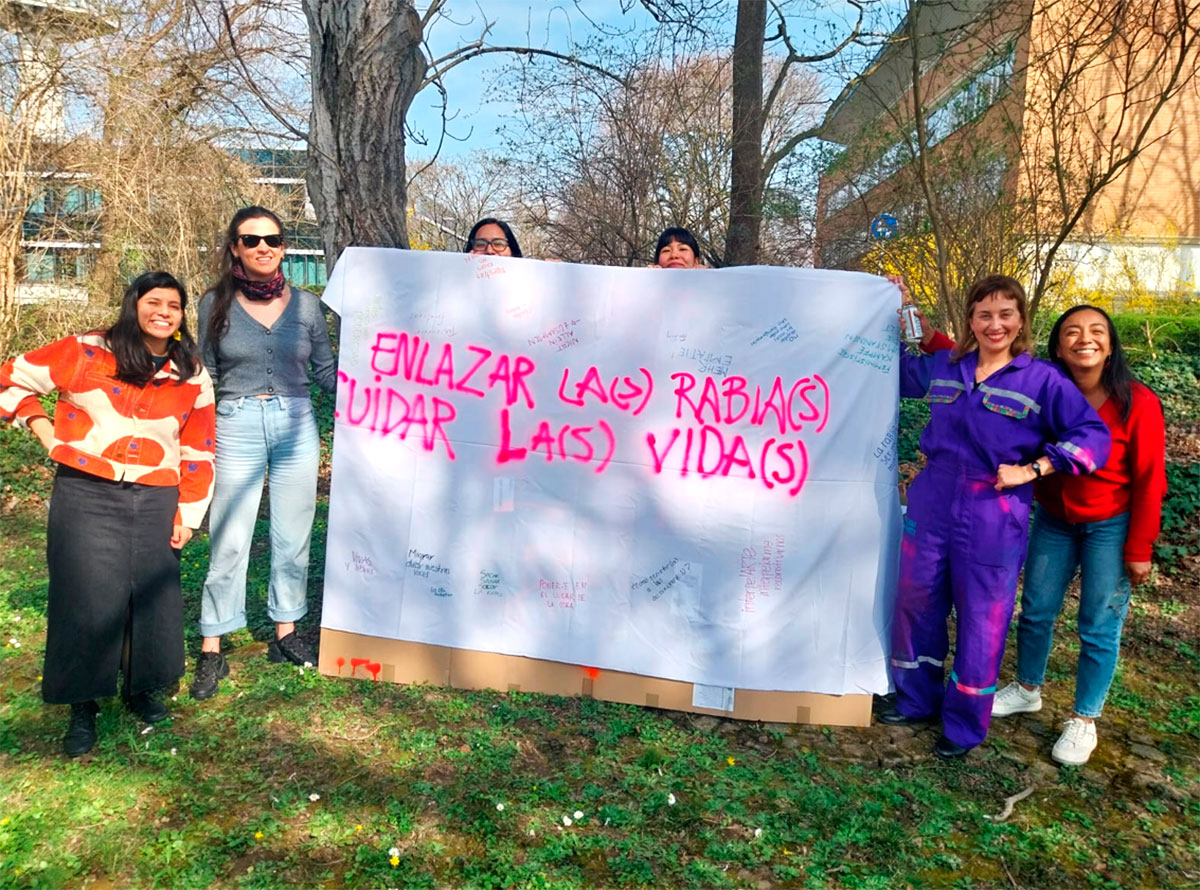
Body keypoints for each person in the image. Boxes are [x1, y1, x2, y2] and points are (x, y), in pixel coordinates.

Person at [880, 275, 1111, 759]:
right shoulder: (947, 366)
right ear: (970, 320)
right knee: (916, 600)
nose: (994, 324)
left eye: (1005, 314)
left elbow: (1093, 437)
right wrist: (895, 307)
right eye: (984, 314)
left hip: (993, 510)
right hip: (932, 498)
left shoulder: (1043, 380)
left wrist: (1035, 469)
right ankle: (917, 698)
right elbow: (887, 371)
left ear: (1020, 320)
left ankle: (964, 722)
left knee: (982, 618)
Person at [0, 271, 215, 756]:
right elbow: (10, 378)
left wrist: (188, 514)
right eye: (153, 302)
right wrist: (44, 430)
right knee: (85, 595)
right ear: (134, 304)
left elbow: (199, 449)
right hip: (87, 491)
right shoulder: (87, 350)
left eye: (174, 306)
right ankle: (84, 704)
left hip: (157, 495)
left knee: (152, 596)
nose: (163, 312)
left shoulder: (191, 372)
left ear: (182, 316)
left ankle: (142, 689)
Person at [991, 305, 1166, 765]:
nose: (1084, 339)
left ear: (1110, 345)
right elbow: (986, 358)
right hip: (1054, 519)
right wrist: (929, 337)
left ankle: (1084, 718)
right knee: (1035, 611)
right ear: (1057, 345)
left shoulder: (1137, 402)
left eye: (1096, 331)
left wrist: (1140, 546)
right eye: (1072, 331)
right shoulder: (1046, 387)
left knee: (1098, 625)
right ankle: (1027, 688)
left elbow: (1150, 480)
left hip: (1110, 524)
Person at [191, 206, 337, 700]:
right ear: (235, 247)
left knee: (294, 533)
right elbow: (204, 376)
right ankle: (212, 643)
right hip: (236, 422)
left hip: (297, 422)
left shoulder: (308, 307)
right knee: (230, 536)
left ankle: (285, 632)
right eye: (251, 240)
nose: (263, 248)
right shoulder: (213, 303)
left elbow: (325, 371)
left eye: (272, 239)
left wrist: (375, 396)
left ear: (283, 247)